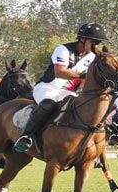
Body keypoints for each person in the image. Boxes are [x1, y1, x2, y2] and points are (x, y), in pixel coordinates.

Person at [14, 22, 109, 153]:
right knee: (48, 105)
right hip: (48, 87)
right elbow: (60, 72)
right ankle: (26, 136)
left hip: (68, 92)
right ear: (82, 39)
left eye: (98, 43)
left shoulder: (93, 57)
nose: (96, 46)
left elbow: (84, 82)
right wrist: (85, 75)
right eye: (94, 42)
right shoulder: (63, 50)